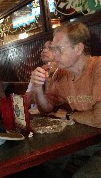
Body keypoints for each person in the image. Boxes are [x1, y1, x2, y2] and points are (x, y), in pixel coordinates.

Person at [30, 22, 101, 177]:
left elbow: (99, 119)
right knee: (43, 165)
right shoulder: (62, 74)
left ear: (78, 49)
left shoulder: (98, 67)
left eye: (58, 49)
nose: (53, 55)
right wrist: (37, 87)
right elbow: (46, 108)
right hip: (88, 140)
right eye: (52, 49)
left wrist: (69, 115)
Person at [25, 39, 57, 106]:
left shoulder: (63, 71)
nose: (44, 50)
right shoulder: (38, 72)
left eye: (50, 48)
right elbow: (26, 101)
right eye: (44, 48)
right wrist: (37, 86)